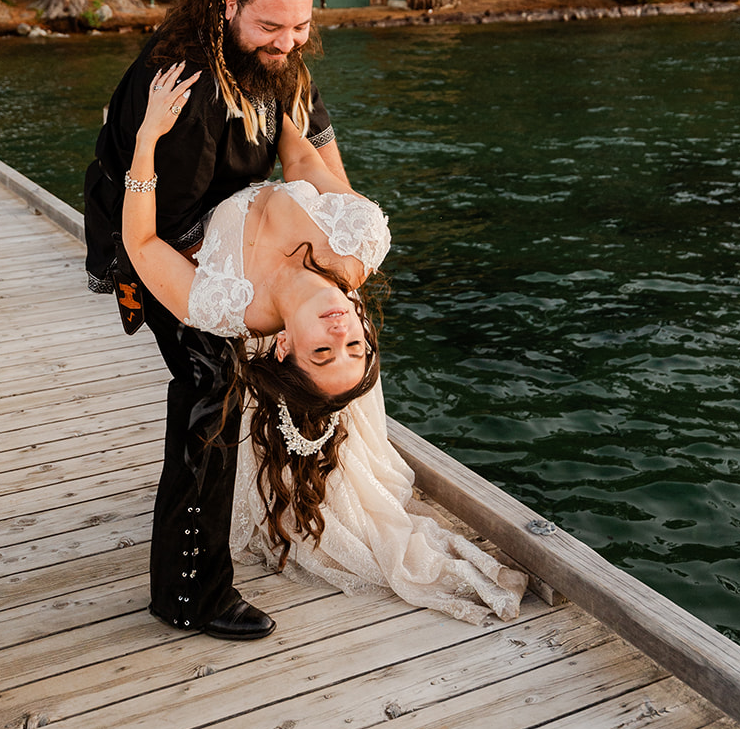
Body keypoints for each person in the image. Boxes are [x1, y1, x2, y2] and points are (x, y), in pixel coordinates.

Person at [125, 62, 529, 626]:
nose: (341, 334)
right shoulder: (359, 242)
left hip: (178, 163)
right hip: (246, 131)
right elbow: (304, 163)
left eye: (322, 352)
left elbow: (143, 243)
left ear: (282, 346)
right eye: (355, 348)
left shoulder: (228, 304)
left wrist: (146, 138)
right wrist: (275, 84)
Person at [84, 0, 346, 640]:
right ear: (229, 4)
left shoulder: (277, 57)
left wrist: (336, 252)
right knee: (209, 385)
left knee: (250, 361)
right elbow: (156, 232)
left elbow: (319, 158)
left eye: (301, 25)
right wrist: (248, 300)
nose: (289, 42)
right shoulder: (186, 84)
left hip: (226, 223)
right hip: (151, 232)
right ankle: (189, 593)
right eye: (271, 26)